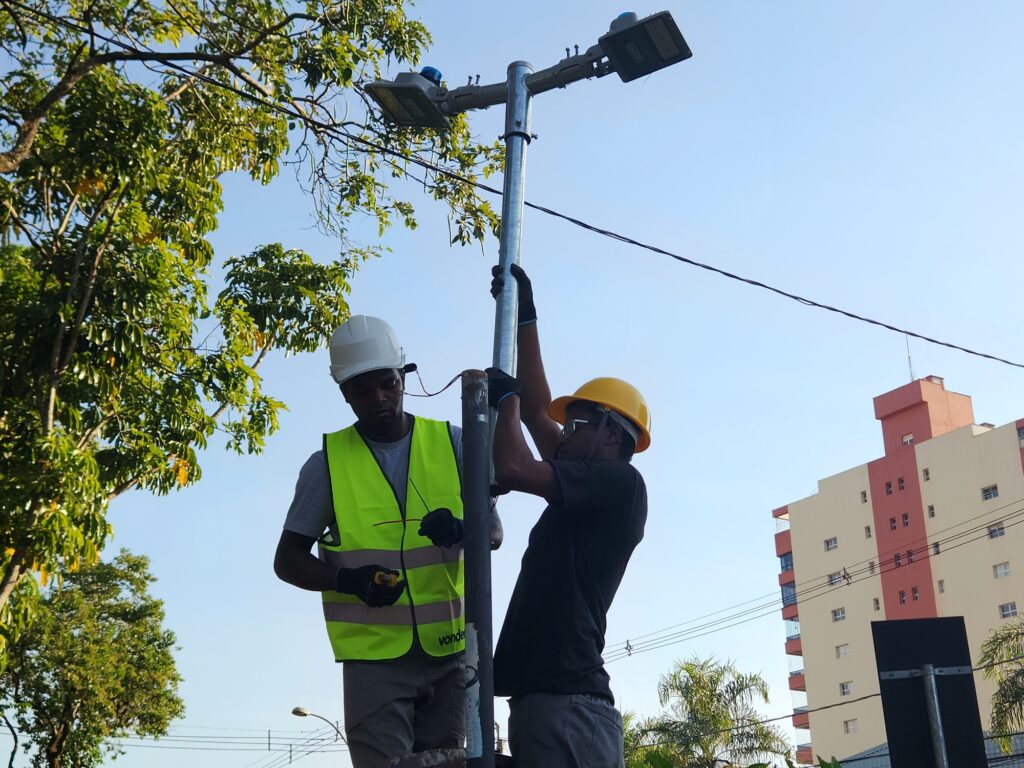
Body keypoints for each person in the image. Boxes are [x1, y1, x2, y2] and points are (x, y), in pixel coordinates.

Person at [274, 315, 501, 768]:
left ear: (404, 377)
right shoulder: (326, 465)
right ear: (344, 393)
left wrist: (461, 529)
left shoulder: (454, 443)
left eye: (387, 384)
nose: (378, 397)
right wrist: (347, 580)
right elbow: (288, 560)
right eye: (362, 390)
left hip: (450, 651)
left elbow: (492, 533)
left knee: (451, 763)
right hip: (374, 662)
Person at [487, 264, 651, 768]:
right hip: (546, 703)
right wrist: (524, 315)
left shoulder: (620, 484)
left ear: (610, 434)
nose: (564, 434)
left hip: (570, 705)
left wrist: (504, 402)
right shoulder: (584, 482)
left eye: (575, 425)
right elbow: (537, 411)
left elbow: (512, 466)